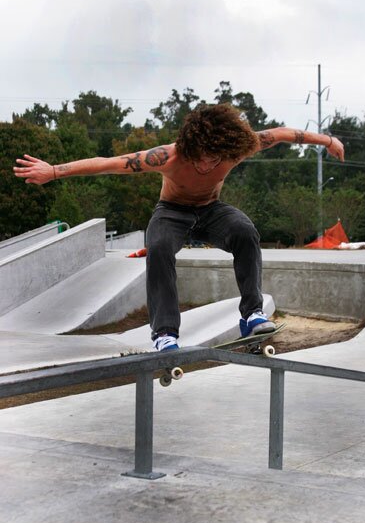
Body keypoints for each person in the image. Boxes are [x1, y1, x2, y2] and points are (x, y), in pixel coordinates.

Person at [14, 103, 345, 352]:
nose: (206, 165)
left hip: (211, 211)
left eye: (215, 160)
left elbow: (285, 133)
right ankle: (164, 332)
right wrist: (54, 171)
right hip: (171, 212)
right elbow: (109, 164)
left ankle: (252, 315)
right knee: (157, 247)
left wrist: (327, 140)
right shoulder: (168, 156)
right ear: (190, 146)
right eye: (201, 157)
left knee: (245, 230)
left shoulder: (237, 148)